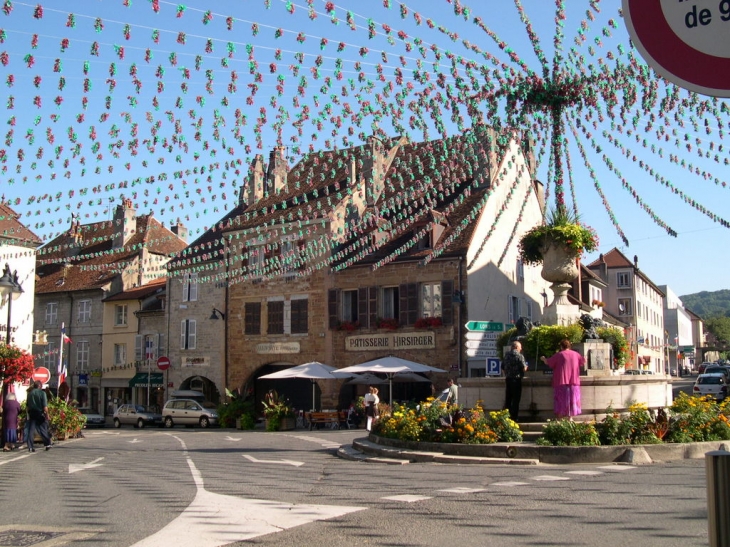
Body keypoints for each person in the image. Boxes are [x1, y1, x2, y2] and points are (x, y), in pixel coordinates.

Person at [540, 339, 586, 419]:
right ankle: (570, 418)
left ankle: (560, 418)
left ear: (561, 346)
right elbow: (583, 361)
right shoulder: (576, 354)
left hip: (561, 381)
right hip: (573, 381)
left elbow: (549, 362)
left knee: (560, 400)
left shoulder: (559, 355)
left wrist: (543, 359)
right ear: (569, 346)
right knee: (572, 400)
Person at [503, 340, 528, 422]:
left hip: (508, 379)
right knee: (516, 400)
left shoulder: (506, 355)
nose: (521, 349)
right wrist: (526, 367)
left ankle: (506, 417)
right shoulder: (519, 356)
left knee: (508, 399)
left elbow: (502, 366)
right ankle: (514, 417)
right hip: (516, 380)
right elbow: (524, 368)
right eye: (520, 347)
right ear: (517, 347)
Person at [26, 380, 53, 452]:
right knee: (43, 429)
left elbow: (27, 406)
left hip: (32, 413)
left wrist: (28, 415)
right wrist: (47, 415)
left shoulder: (30, 393)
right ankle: (47, 444)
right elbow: (45, 407)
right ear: (40, 386)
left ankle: (30, 447)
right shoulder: (42, 393)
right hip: (39, 413)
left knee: (31, 430)